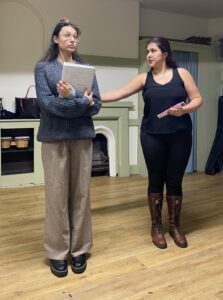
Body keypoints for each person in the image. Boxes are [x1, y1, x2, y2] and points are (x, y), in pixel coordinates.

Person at [101, 36, 202, 249]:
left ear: (165, 54)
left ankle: (174, 226)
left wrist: (185, 109)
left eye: (153, 50)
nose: (149, 54)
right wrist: (92, 96)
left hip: (180, 135)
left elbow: (197, 99)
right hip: (152, 136)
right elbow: (118, 93)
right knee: (155, 180)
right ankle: (156, 227)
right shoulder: (143, 79)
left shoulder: (182, 74)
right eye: (147, 51)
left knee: (174, 180)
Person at [34, 18, 101, 277]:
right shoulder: (43, 68)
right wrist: (79, 104)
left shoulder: (86, 68)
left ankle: (79, 248)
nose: (72, 39)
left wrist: (74, 98)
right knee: (57, 196)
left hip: (82, 136)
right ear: (55, 39)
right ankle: (57, 252)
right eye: (67, 35)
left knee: (82, 194)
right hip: (54, 138)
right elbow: (47, 104)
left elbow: (96, 105)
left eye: (75, 36)